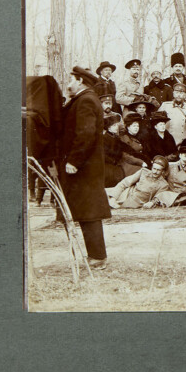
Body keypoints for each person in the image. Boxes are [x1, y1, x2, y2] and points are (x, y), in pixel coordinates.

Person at [59, 66, 111, 268]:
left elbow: (86, 134)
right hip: (86, 167)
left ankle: (98, 257)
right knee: (86, 211)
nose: (68, 84)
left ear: (80, 80)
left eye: (71, 80)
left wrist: (74, 161)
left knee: (89, 212)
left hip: (84, 168)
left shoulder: (86, 100)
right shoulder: (83, 99)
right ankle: (95, 255)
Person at [107, 156, 171, 209]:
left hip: (137, 204)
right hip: (125, 194)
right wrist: (113, 198)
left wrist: (151, 203)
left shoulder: (164, 185)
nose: (155, 172)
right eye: (154, 168)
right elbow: (124, 183)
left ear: (163, 171)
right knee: (103, 195)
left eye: (158, 170)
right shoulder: (143, 172)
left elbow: (157, 198)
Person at [102, 114, 143, 187]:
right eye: (114, 126)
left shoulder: (115, 138)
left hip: (117, 164)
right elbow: (103, 155)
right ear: (109, 128)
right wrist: (113, 161)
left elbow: (127, 148)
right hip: (108, 166)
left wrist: (139, 156)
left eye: (116, 125)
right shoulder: (104, 139)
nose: (117, 127)